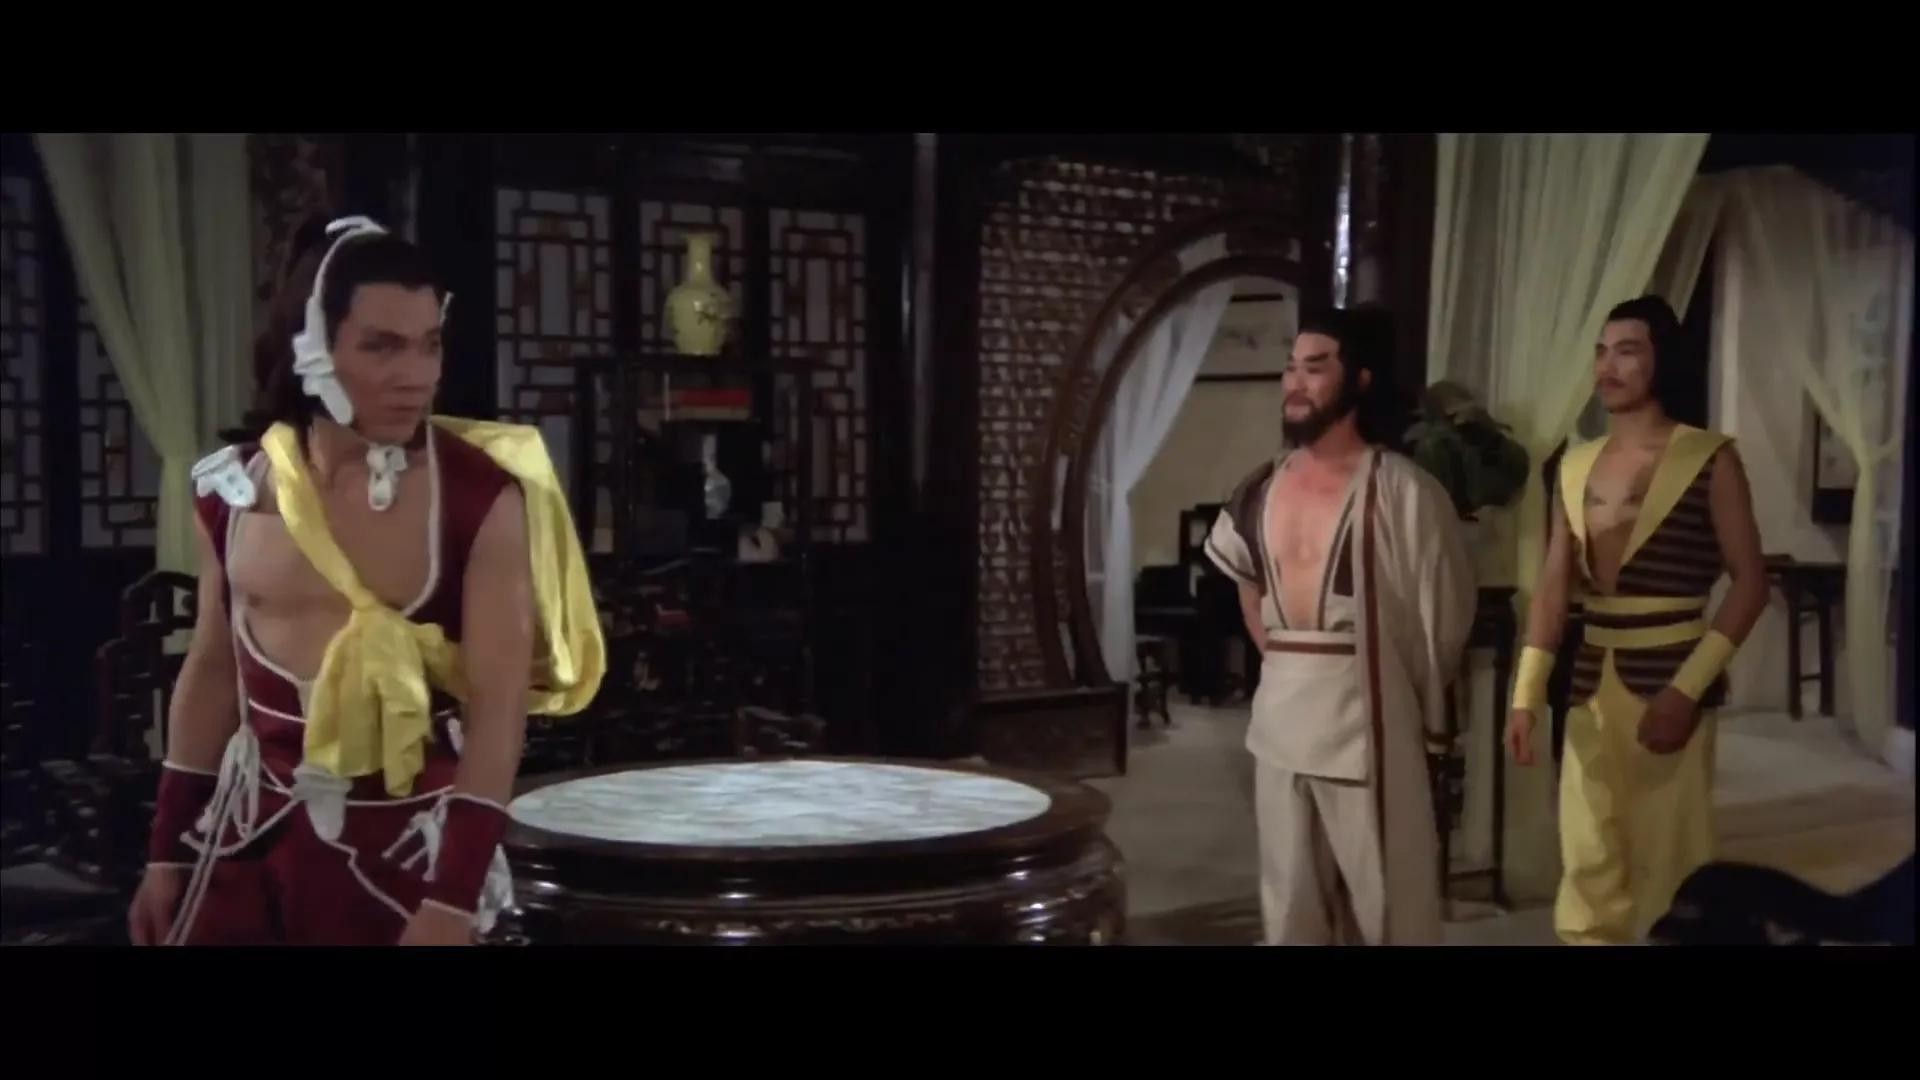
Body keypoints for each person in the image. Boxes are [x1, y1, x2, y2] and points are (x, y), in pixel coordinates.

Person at [126, 214, 605, 946]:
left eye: (429, 344)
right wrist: (166, 850)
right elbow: (214, 669)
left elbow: (499, 708)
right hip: (250, 837)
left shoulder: (477, 497)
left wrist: (452, 901)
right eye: (382, 346)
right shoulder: (236, 492)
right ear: (312, 349)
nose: (417, 375)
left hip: (409, 855)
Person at [1204, 304, 1475, 945]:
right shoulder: (1259, 487)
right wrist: (1281, 657)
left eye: (1316, 368)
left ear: (1359, 379)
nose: (1296, 383)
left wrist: (1417, 712)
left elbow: (1440, 620)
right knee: (1290, 905)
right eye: (1291, 368)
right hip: (1281, 718)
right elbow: (1247, 582)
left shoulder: (1404, 491)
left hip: (1371, 717)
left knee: (1389, 904)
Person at [1506, 295, 1768, 945]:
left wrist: (1687, 689)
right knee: (1587, 852)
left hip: (1672, 672)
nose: (1608, 366)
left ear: (1660, 360)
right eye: (1601, 352)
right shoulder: (1574, 465)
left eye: (1627, 351)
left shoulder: (1708, 457)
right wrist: (1527, 693)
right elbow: (1553, 588)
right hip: (1591, 680)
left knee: (1672, 858)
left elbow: (1751, 583)